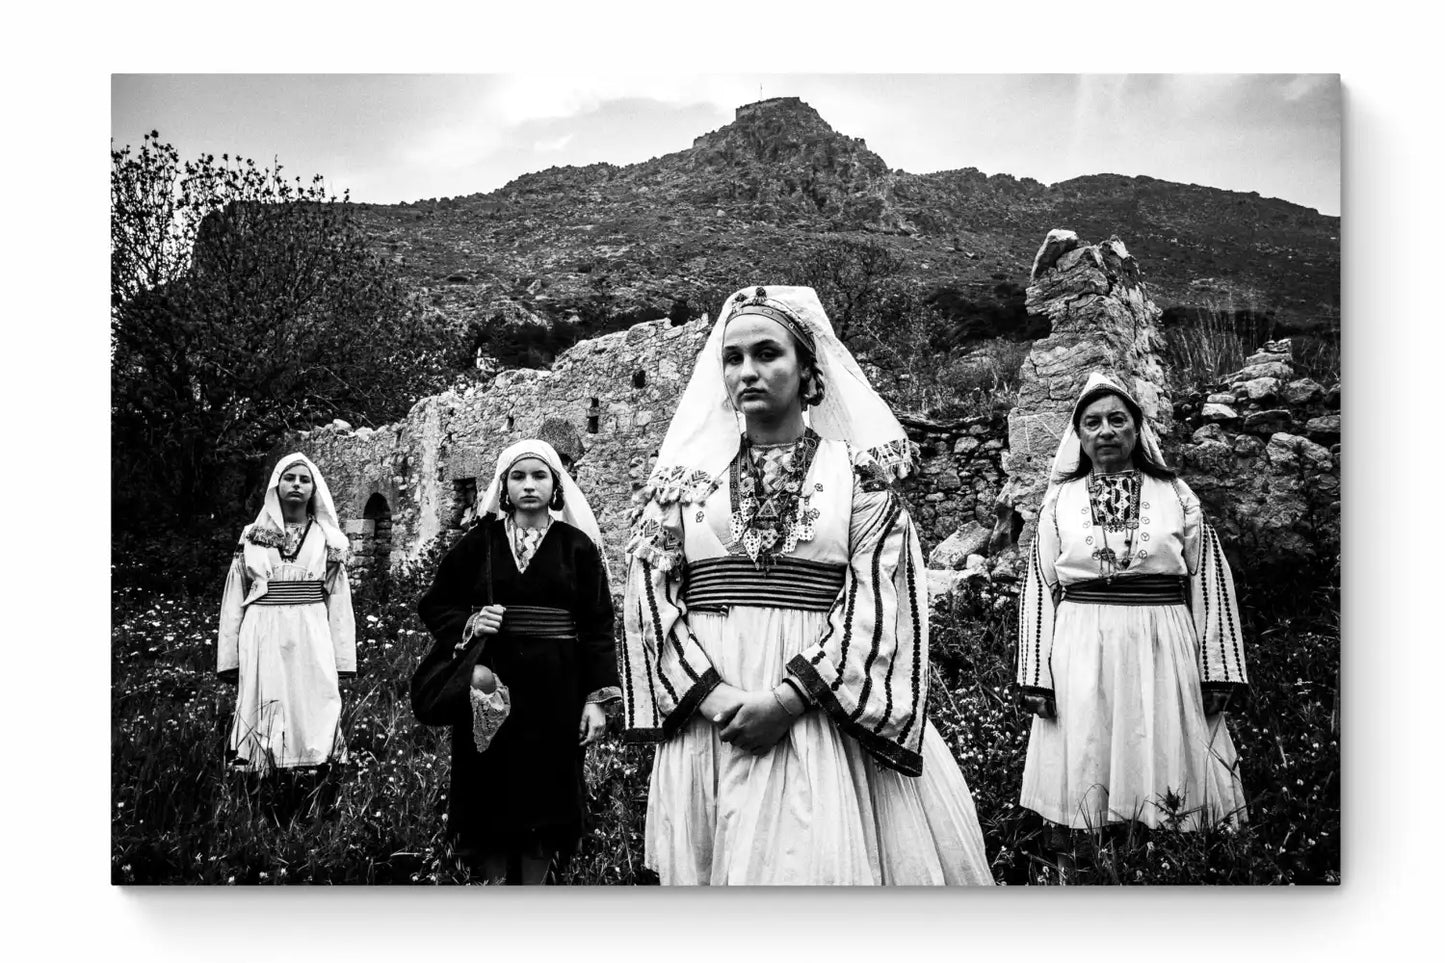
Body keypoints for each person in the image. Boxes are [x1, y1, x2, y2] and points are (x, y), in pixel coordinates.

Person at [620, 285, 994, 885]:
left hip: (817, 717)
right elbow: (650, 600)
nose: (748, 371)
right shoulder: (682, 488)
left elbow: (882, 599)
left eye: (768, 353)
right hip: (711, 721)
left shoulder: (859, 480)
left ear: (807, 369)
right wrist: (717, 701)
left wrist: (785, 702)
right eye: (733, 358)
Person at [1016, 372, 1249, 835]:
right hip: (1082, 641)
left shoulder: (1175, 495)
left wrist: (1218, 667)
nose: (1105, 431)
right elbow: (1041, 586)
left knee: (1162, 737)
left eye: (1117, 419)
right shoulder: (1060, 500)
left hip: (1162, 639)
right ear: (1078, 435)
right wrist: (1034, 676)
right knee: (1088, 742)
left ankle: (1169, 846)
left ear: (1136, 429)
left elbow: (1208, 580)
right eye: (1092, 422)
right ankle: (1090, 848)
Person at [412, 439, 621, 885]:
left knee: (548, 788)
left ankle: (533, 890)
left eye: (539, 475)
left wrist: (597, 699)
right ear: (504, 486)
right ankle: (492, 889)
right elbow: (434, 602)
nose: (529, 485)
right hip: (491, 687)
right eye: (518, 476)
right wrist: (471, 620)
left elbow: (598, 624)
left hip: (557, 687)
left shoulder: (576, 546)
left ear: (556, 484)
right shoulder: (480, 542)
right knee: (487, 784)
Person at [217, 453, 356, 782]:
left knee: (314, 692)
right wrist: (229, 654)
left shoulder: (327, 538)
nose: (296, 484)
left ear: (314, 488)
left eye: (304, 479)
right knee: (266, 694)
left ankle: (313, 762)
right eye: (289, 478)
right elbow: (236, 593)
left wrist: (343, 656)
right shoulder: (253, 535)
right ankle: (260, 767)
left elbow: (337, 597)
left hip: (310, 627)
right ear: (276, 485)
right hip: (262, 626)